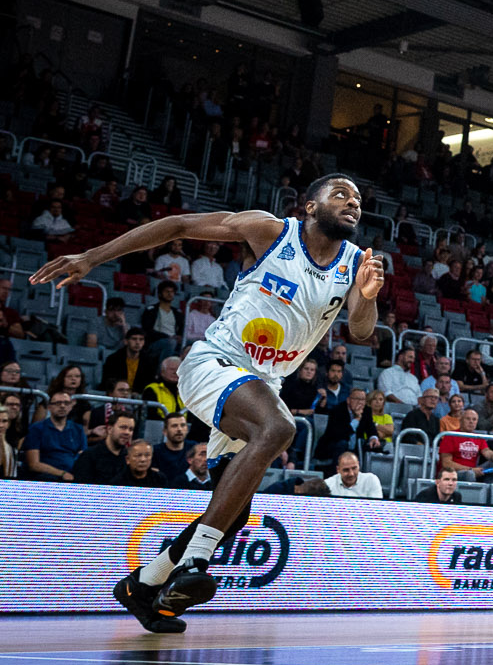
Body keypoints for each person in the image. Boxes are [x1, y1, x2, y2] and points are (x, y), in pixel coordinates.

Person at [32, 173, 383, 633]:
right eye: (340, 194)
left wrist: (369, 297)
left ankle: (142, 586)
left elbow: (360, 330)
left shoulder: (357, 262)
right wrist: (92, 256)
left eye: (358, 198)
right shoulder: (271, 231)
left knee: (233, 514)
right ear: (310, 206)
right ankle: (194, 562)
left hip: (261, 384)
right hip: (214, 364)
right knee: (279, 429)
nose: (352, 202)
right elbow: (178, 225)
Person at [23, 391, 87, 481]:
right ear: (49, 407)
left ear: (71, 407)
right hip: (45, 478)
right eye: (57, 403)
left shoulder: (78, 429)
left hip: (73, 477)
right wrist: (62, 473)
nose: (62, 406)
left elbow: (83, 456)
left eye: (66, 403)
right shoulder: (37, 429)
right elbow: (33, 464)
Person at [72, 411, 138, 485]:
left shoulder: (130, 458)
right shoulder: (89, 456)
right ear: (109, 429)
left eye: (131, 429)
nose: (127, 432)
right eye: (123, 427)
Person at [152, 413, 194, 484]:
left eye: (183, 425)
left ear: (187, 429)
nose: (179, 429)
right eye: (174, 426)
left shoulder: (195, 449)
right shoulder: (155, 452)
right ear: (165, 431)